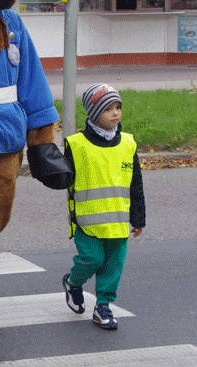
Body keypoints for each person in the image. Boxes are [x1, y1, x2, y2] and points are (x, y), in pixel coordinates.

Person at [62, 83, 146, 331]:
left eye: (118, 107)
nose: (116, 113)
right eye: (108, 108)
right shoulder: (76, 145)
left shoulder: (128, 144)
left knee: (112, 266)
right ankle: (73, 282)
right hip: (87, 223)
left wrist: (138, 219)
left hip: (118, 223)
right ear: (93, 113)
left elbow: (136, 185)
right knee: (92, 259)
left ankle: (103, 306)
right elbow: (64, 179)